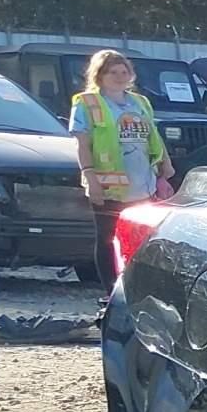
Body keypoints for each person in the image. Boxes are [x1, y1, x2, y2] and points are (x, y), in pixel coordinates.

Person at [68, 49, 174, 293]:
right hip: (109, 187)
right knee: (107, 240)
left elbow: (152, 137)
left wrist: (164, 166)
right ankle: (111, 294)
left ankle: (137, 289)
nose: (119, 76)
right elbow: (83, 144)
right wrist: (89, 176)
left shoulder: (140, 102)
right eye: (112, 72)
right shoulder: (87, 103)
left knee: (141, 239)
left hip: (142, 184)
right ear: (99, 75)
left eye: (123, 71)